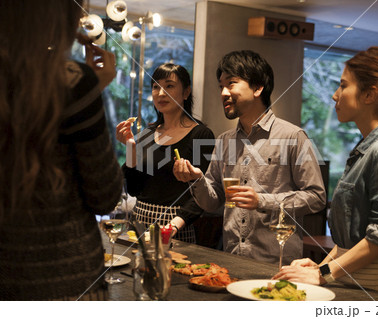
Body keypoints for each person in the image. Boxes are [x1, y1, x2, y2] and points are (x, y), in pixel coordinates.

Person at [273, 46, 378, 299]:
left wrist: (323, 273)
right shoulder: (368, 147)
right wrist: (319, 267)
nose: (335, 95)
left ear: (369, 94)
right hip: (354, 277)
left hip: (374, 286)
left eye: (343, 86)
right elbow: (352, 239)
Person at [0, 0, 123, 300]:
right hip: (65, 280)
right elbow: (104, 196)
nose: (82, 17)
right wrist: (92, 89)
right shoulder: (73, 82)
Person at [173, 50, 326, 264]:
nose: (224, 93)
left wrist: (262, 201)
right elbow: (212, 202)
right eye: (221, 86)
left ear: (257, 87)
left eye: (231, 83)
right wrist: (196, 180)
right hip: (232, 259)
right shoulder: (225, 140)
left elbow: (316, 197)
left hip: (276, 263)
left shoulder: (293, 136)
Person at [116, 63, 215, 243]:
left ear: (186, 92)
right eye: (156, 87)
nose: (161, 93)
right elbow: (133, 188)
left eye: (169, 86)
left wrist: (173, 226)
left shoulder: (201, 134)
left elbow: (201, 193)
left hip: (176, 228)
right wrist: (130, 146)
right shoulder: (147, 133)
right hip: (138, 224)